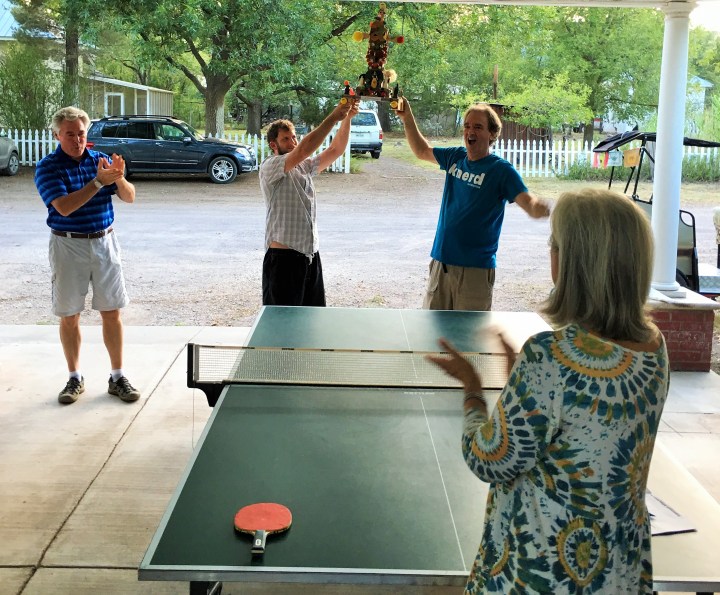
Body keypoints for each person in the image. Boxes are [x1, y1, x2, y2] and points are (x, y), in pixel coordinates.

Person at [427, 188, 670, 593]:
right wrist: (519, 378)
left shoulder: (551, 356)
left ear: (575, 262)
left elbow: (490, 457)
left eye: (554, 245)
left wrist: (473, 390)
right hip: (616, 568)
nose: (550, 253)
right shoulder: (654, 346)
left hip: (545, 570)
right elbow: (579, 425)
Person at [395, 100, 551, 311]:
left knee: (468, 339)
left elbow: (527, 201)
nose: (470, 131)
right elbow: (422, 150)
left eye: (478, 127)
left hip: (475, 271)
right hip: (441, 263)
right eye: (467, 126)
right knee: (430, 334)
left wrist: (537, 207)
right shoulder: (455, 157)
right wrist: (407, 118)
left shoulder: (501, 171)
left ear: (492, 134)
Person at [34, 106, 141, 405]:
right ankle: (74, 377)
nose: (77, 140)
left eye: (81, 133)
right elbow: (64, 208)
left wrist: (117, 178)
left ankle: (118, 376)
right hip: (68, 245)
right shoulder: (47, 167)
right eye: (70, 134)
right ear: (57, 135)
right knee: (69, 314)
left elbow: (130, 197)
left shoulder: (101, 161)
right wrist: (98, 183)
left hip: (105, 242)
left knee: (112, 312)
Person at [260, 99, 359, 306]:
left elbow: (335, 150)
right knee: (283, 326)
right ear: (273, 145)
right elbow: (304, 149)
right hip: (283, 259)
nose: (293, 142)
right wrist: (334, 117)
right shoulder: (270, 167)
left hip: (310, 256)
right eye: (286, 139)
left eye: (294, 137)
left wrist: (347, 118)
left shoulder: (303, 167)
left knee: (312, 322)